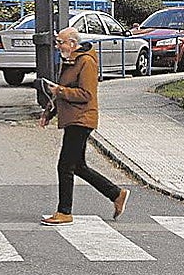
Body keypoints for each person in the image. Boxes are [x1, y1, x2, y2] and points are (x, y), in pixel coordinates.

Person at [37, 26, 130, 226]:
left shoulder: (86, 62)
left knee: (65, 166)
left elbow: (86, 94)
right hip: (73, 119)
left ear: (72, 43)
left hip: (82, 119)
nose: (57, 45)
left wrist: (60, 90)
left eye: (60, 42)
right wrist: (49, 113)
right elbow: (63, 92)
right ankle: (116, 194)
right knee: (78, 166)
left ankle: (64, 212)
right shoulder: (70, 61)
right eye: (57, 42)